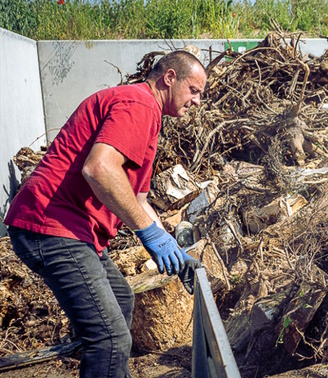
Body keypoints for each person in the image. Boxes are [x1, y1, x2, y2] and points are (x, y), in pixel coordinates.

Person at [3, 50, 207, 377]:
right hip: (52, 226)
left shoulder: (145, 112)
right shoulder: (139, 105)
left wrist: (174, 248)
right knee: (110, 337)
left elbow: (139, 201)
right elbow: (98, 169)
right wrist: (148, 234)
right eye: (193, 90)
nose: (197, 101)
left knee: (121, 300)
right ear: (170, 78)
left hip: (74, 230)